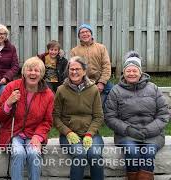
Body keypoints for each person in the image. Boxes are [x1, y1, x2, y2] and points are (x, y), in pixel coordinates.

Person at [104, 51, 170, 180]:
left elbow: (163, 114)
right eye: (128, 71)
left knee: (148, 152)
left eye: (135, 71)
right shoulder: (115, 91)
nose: (131, 73)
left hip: (153, 134)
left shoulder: (153, 88)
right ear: (124, 72)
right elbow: (110, 117)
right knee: (132, 152)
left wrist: (148, 130)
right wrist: (128, 130)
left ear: (140, 73)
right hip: (126, 134)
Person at [0, 57, 54, 180]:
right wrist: (8, 103)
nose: (32, 73)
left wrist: (38, 136)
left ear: (41, 74)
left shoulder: (48, 94)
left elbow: (47, 121)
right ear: (24, 72)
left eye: (36, 70)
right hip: (13, 133)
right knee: (18, 153)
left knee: (34, 153)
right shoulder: (12, 87)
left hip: (34, 134)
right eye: (29, 70)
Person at [53, 56, 104, 180]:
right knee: (79, 154)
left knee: (95, 154)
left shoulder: (93, 90)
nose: (74, 72)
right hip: (69, 135)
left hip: (91, 134)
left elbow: (98, 116)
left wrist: (90, 134)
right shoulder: (61, 90)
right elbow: (55, 116)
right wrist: (68, 132)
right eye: (71, 69)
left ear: (84, 71)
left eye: (77, 69)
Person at [70, 23, 112, 103]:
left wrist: (102, 82)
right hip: (83, 82)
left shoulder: (101, 48)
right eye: (82, 32)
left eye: (87, 31)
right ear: (79, 36)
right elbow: (73, 69)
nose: (85, 34)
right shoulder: (74, 51)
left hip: (100, 80)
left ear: (91, 34)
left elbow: (106, 66)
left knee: (113, 93)